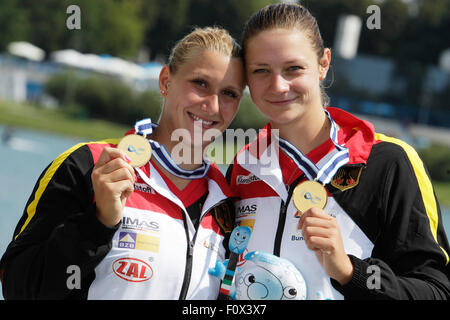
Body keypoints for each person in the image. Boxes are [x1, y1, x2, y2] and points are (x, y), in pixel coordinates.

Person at [0, 26, 245, 300]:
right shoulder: (88, 164)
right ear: (165, 81)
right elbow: (17, 288)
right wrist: (98, 224)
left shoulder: (227, 203)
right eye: (200, 83)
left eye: (229, 94)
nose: (212, 106)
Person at [227, 3, 450, 300]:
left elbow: (437, 291)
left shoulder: (388, 162)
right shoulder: (242, 167)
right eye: (261, 71)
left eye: (293, 68)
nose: (278, 86)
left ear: (323, 64)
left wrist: (349, 272)